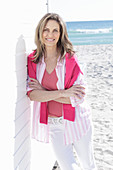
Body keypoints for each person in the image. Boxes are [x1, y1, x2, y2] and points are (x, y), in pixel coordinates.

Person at [27, 13, 97, 170]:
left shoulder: (70, 59)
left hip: (77, 120)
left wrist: (45, 93)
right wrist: (63, 92)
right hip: (54, 124)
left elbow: (78, 97)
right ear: (40, 31)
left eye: (55, 30)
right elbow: (32, 95)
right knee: (68, 167)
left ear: (61, 33)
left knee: (88, 165)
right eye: (46, 30)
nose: (50, 35)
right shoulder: (33, 60)